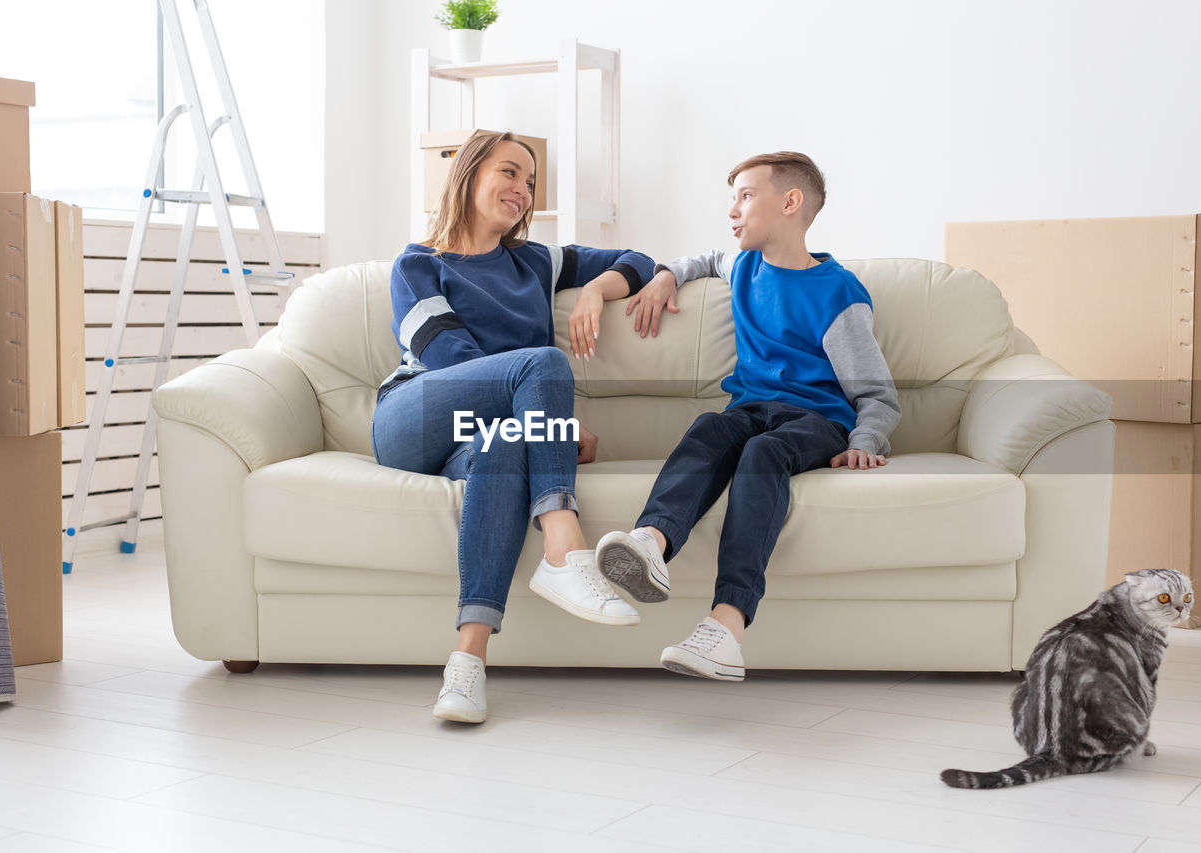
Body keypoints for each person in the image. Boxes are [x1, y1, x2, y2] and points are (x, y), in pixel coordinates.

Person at [372, 131, 655, 723]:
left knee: (502, 447)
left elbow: (640, 263)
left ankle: (467, 664)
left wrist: (594, 293)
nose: (522, 191)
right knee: (544, 363)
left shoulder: (537, 261)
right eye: (509, 173)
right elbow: (452, 359)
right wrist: (552, 433)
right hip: (416, 417)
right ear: (470, 174)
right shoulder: (418, 264)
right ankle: (563, 544)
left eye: (530, 182)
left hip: (484, 432)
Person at [595, 151, 901, 681]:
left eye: (745, 196)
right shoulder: (745, 266)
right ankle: (652, 542)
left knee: (763, 455)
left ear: (790, 203)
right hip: (749, 408)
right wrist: (667, 275)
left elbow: (877, 392)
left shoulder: (837, 294)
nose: (732, 210)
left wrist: (866, 439)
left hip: (815, 419)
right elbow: (707, 259)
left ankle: (726, 627)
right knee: (711, 428)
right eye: (731, 198)